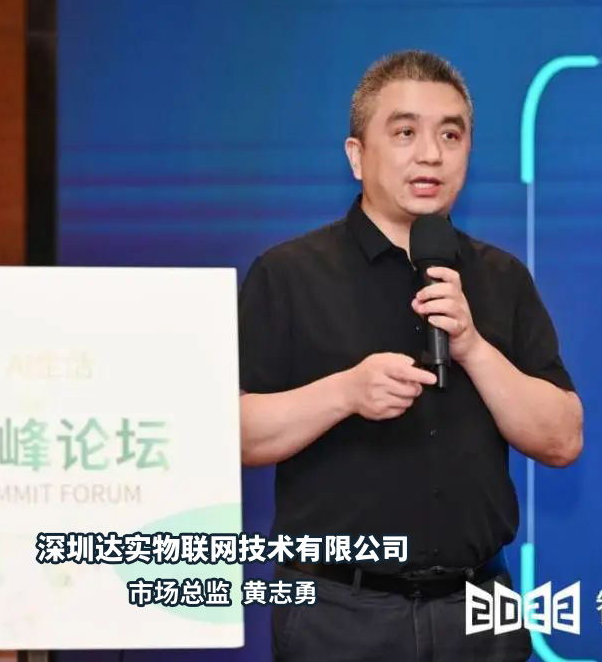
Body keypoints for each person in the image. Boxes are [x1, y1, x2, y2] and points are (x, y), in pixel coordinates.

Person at [238, 49, 583, 662]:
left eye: (451, 135)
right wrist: (343, 393)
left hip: (480, 608)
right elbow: (230, 434)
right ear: (356, 156)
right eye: (404, 133)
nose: (431, 155)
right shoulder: (288, 275)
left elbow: (562, 440)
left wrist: (473, 347)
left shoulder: (501, 278)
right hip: (338, 613)